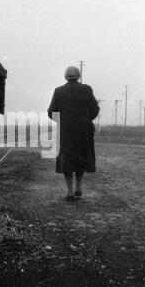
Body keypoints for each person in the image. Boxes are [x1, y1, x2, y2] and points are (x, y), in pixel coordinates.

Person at [47, 66, 99, 201]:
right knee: (81, 158)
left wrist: (63, 121)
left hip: (66, 132)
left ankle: (70, 191)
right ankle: (79, 188)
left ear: (65, 76)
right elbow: (95, 108)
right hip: (83, 131)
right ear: (79, 76)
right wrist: (86, 120)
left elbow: (51, 111)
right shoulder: (86, 89)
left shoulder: (59, 91)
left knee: (67, 160)